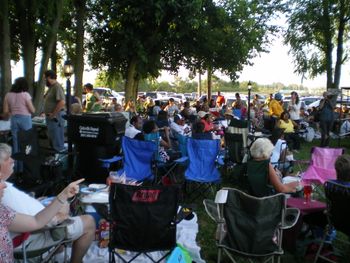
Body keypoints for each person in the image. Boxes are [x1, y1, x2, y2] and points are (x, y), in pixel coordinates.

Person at [0, 144, 88, 262]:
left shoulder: (3, 212)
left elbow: (35, 221)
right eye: (7, 159)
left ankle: (58, 255)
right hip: (32, 238)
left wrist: (61, 196)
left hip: (37, 225)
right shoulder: (5, 200)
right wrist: (60, 213)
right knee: (89, 221)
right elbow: (40, 223)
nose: (4, 185)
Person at [3, 77, 35, 173]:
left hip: (14, 119)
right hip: (25, 119)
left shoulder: (8, 95)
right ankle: (27, 168)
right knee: (27, 144)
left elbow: (5, 111)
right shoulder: (25, 95)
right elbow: (33, 110)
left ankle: (17, 169)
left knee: (16, 144)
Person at [43, 70, 66, 153]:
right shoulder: (51, 88)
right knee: (53, 138)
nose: (44, 80)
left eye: (45, 78)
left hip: (56, 117)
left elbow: (62, 102)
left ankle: (59, 160)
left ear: (49, 77)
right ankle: (55, 157)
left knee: (57, 140)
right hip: (51, 117)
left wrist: (53, 114)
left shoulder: (57, 87)